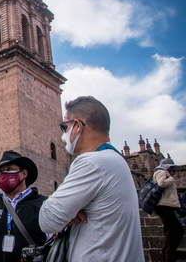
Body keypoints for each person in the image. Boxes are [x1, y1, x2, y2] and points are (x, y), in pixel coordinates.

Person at [39, 96, 144, 261]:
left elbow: (47, 219)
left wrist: (66, 213)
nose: (63, 135)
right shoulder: (116, 161)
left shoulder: (92, 163)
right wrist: (68, 212)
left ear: (77, 126)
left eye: (65, 127)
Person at [153, 158, 184, 262]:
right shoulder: (161, 172)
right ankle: (170, 255)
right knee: (177, 230)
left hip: (166, 206)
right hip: (163, 206)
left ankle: (166, 251)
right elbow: (161, 183)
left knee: (171, 231)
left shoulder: (164, 172)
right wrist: (171, 179)